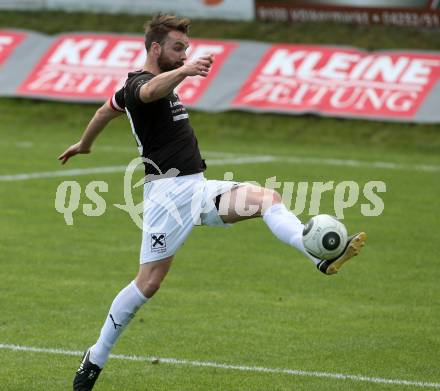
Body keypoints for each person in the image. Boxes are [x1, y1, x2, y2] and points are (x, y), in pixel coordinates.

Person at [59, 14, 367, 391]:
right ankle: (96, 356)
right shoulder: (142, 83)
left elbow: (105, 110)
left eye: (186, 48)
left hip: (199, 187)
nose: (184, 52)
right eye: (177, 47)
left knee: (265, 198)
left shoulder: (145, 85)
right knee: (149, 284)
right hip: (167, 199)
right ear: (155, 48)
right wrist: (186, 70)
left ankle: (316, 253)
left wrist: (85, 143)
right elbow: (147, 92)